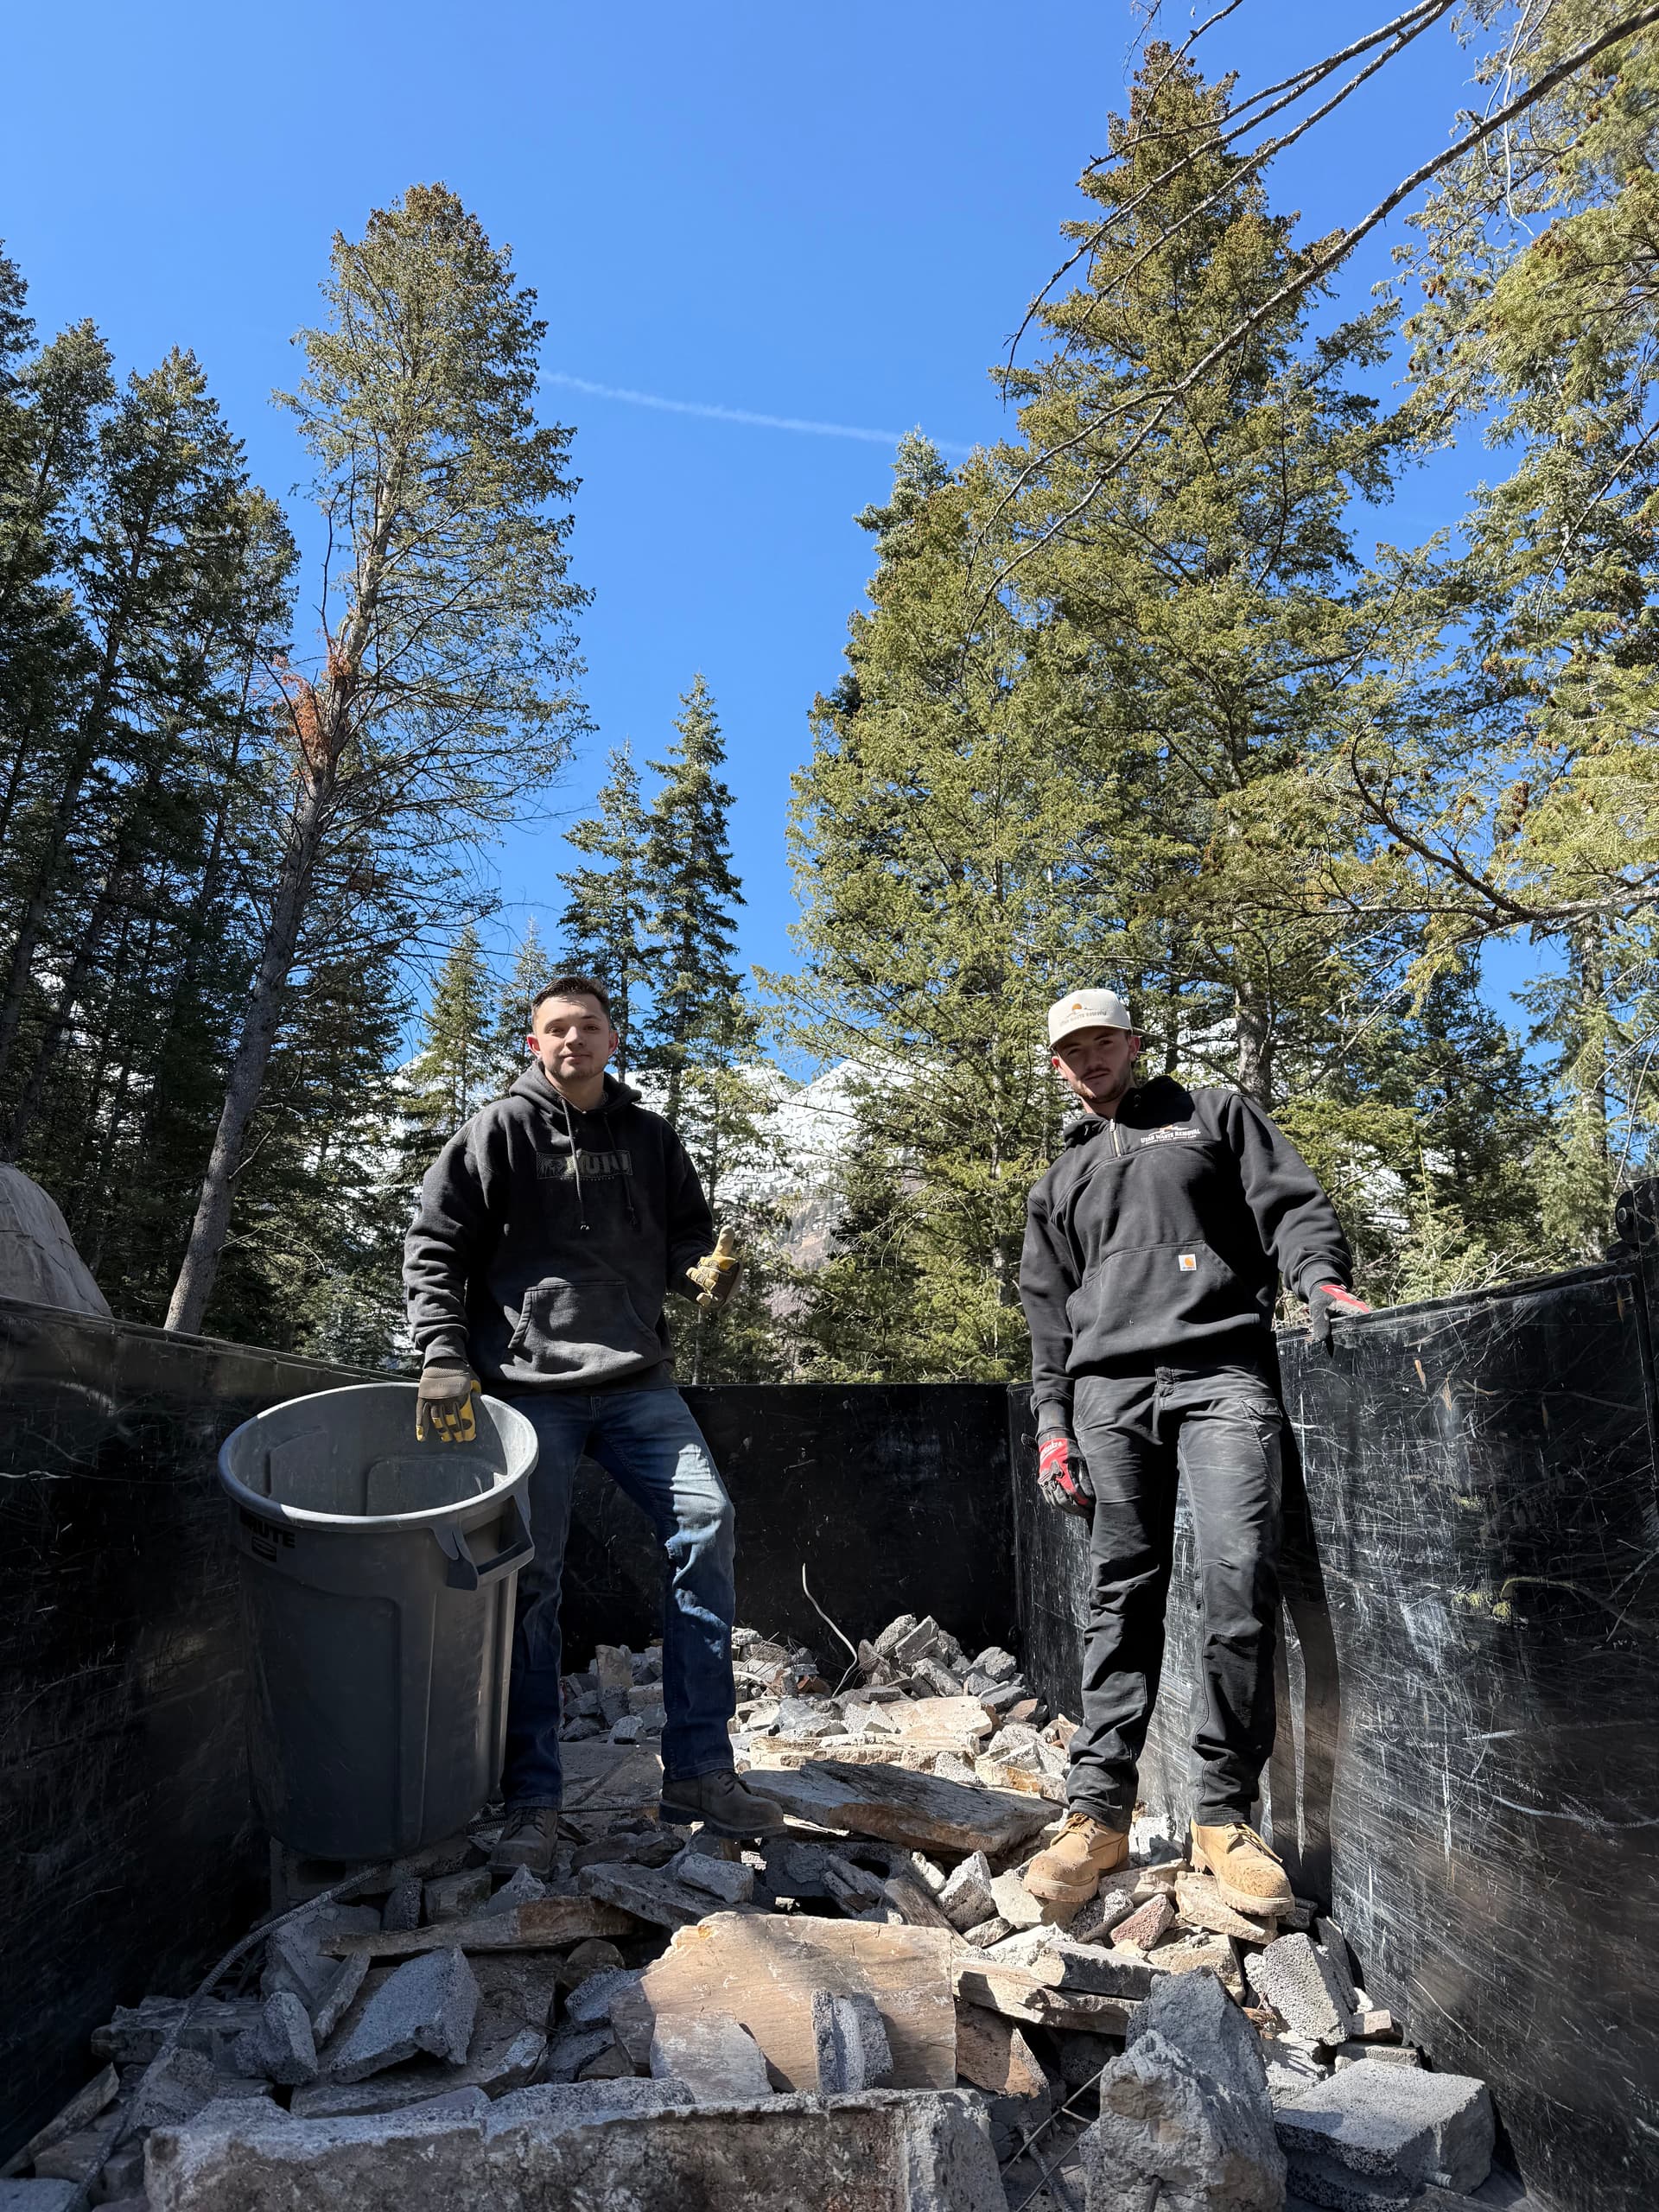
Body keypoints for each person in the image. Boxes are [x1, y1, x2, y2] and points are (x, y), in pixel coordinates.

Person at [404, 973, 787, 1872]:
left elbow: (688, 1237)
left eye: (589, 1026)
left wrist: (702, 1271)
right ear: (533, 1044)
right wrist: (443, 1353)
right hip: (528, 1388)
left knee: (708, 1524)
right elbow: (435, 1244)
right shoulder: (497, 1131)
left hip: (638, 1382)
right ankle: (532, 1800)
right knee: (529, 1580)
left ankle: (700, 1771)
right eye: (556, 1028)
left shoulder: (651, 1138)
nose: (573, 1039)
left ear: (614, 1040)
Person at [1017, 988, 1370, 1916]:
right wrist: (1052, 1427)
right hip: (1107, 1394)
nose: (1090, 1058)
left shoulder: (1211, 1115)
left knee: (1237, 1578)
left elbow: (1290, 1205)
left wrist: (1320, 1280)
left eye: (1103, 1040)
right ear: (1058, 1066)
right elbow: (1047, 1320)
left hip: (1222, 1372)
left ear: (1134, 1043)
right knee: (1119, 1593)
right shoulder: (1060, 1180)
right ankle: (1097, 1812)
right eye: (1073, 1050)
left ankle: (1222, 1816)